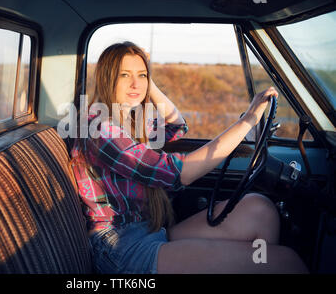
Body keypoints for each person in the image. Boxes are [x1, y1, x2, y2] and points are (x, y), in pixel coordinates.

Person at [69, 41, 308, 274]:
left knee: (260, 209)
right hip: (120, 247)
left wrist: (147, 85)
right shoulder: (99, 128)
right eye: (124, 75)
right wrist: (247, 121)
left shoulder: (129, 119)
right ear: (107, 77)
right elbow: (178, 173)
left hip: (147, 229)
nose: (135, 83)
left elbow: (177, 125)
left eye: (141, 75)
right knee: (286, 262)